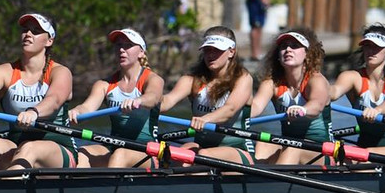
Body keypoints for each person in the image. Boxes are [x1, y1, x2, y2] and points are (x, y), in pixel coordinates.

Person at [0, 11, 76, 171]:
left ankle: (6, 190)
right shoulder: (3, 72)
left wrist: (34, 112)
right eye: (25, 30)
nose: (28, 34)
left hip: (58, 149)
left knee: (30, 148)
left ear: (49, 40)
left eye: (36, 31)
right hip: (17, 143)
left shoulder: (60, 72)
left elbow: (53, 101)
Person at [66, 28, 166, 168]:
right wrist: (76, 111)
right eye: (119, 45)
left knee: (121, 154)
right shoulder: (104, 84)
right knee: (81, 154)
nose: (121, 50)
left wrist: (139, 101)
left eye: (128, 45)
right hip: (114, 145)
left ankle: (107, 187)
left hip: (147, 150)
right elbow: (87, 107)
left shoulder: (153, 79)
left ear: (141, 52)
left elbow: (153, 97)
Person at [158, 26, 256, 163]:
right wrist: (144, 101)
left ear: (231, 52)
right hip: (203, 148)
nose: (211, 55)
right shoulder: (191, 80)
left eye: (217, 50)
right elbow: (166, 101)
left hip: (239, 150)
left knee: (203, 155)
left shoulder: (243, 78)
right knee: (174, 154)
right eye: (207, 50)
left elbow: (230, 109)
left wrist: (206, 118)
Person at [328, 24, 385, 159]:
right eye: (367, 46)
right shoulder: (352, 77)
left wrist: (377, 110)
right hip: (364, 149)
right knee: (334, 157)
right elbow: (333, 92)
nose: (371, 51)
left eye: (377, 47)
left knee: (358, 156)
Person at [249, 27, 332, 165]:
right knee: (263, 144)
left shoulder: (316, 80)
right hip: (289, 145)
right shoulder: (272, 83)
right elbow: (255, 106)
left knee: (294, 148)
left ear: (307, 54)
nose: (288, 50)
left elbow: (316, 105)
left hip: (321, 152)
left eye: (294, 46)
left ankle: (273, 185)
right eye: (283, 47)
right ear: (278, 56)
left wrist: (302, 110)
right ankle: (255, 183)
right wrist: (233, 112)